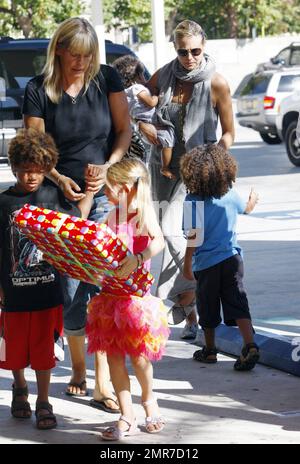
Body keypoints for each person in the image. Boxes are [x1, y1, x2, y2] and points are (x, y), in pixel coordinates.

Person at [22, 17, 132, 411]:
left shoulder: (107, 79)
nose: (82, 63)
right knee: (69, 287)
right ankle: (79, 367)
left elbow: (123, 131)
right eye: (76, 55)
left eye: (88, 56)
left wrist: (108, 165)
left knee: (101, 284)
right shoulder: (38, 89)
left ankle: (103, 379)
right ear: (60, 50)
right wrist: (56, 176)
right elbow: (34, 143)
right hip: (57, 199)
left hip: (101, 194)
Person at [139, 20, 235, 340]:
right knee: (166, 234)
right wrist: (145, 128)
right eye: (183, 51)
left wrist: (215, 161)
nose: (190, 57)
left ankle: (192, 289)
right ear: (175, 49)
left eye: (195, 51)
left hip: (196, 173)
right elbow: (140, 103)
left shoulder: (216, 82)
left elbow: (229, 132)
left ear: (204, 46)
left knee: (181, 233)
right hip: (162, 168)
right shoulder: (164, 75)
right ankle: (191, 310)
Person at [0, 128, 94, 430]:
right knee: (12, 351)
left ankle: (43, 400)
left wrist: (91, 192)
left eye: (38, 171)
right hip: (12, 295)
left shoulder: (52, 197)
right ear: (14, 168)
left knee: (44, 353)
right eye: (26, 171)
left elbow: (76, 221)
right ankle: (20, 389)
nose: (31, 177)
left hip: (48, 293)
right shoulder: (2, 203)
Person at [86, 158, 169, 440]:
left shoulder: (143, 215)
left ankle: (149, 402)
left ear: (128, 189)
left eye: (110, 189)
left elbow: (159, 241)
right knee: (114, 360)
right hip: (110, 298)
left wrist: (139, 258)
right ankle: (127, 415)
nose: (106, 194)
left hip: (135, 301)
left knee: (140, 359)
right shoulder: (111, 216)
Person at [180, 144, 260, 370]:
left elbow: (193, 237)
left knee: (208, 305)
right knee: (238, 301)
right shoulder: (230, 194)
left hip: (206, 265)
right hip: (233, 260)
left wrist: (187, 264)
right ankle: (250, 344)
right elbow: (246, 208)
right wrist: (253, 198)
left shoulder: (192, 201)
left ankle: (210, 350)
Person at [113, 55, 176, 179]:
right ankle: (165, 167)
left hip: (140, 128)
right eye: (142, 75)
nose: (145, 78)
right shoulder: (138, 88)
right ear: (137, 77)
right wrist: (157, 96)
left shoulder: (125, 93)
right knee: (169, 136)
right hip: (149, 122)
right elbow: (151, 103)